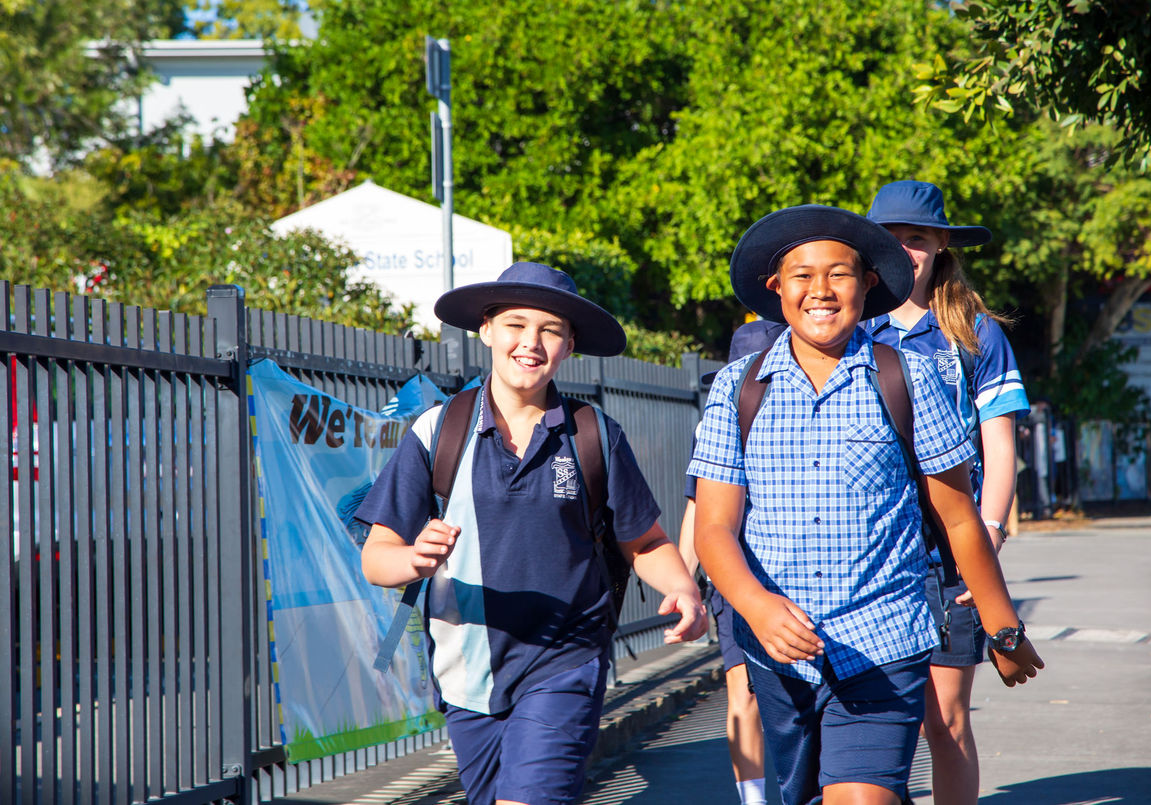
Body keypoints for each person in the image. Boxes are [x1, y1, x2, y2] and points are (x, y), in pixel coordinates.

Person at [690, 205, 1043, 805]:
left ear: (868, 284)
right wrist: (756, 607)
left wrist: (1002, 629)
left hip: (884, 643)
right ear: (776, 289)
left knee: (862, 796)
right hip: (780, 658)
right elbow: (715, 526)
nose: (820, 291)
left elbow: (959, 518)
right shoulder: (737, 389)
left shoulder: (909, 377)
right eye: (801, 276)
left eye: (839, 274)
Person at [357, 262, 707, 805]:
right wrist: (414, 559)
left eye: (550, 330)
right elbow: (377, 558)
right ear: (487, 330)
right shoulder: (437, 431)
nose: (531, 342)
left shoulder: (594, 435)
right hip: (466, 671)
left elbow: (645, 542)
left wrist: (682, 588)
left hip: (566, 657)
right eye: (516, 324)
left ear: (570, 346)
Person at [861, 180, 1030, 805]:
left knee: (946, 718)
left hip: (949, 550)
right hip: (870, 547)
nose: (905, 250)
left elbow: (1002, 446)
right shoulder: (847, 328)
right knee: (878, 720)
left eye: (918, 239)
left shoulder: (977, 334)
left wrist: (988, 536)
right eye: (892, 239)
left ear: (941, 248)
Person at [678, 319, 786, 805]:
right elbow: (697, 510)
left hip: (802, 573)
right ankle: (755, 798)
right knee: (742, 689)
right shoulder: (722, 425)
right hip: (734, 580)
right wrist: (682, 585)